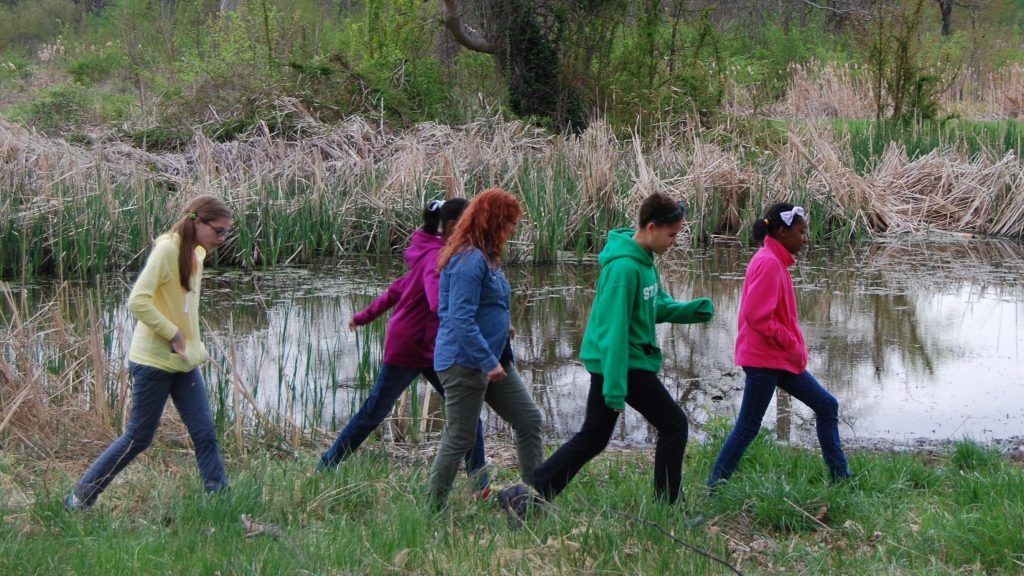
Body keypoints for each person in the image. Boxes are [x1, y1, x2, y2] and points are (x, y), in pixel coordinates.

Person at [496, 192, 714, 518]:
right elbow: (613, 330)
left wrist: (687, 310)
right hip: (623, 363)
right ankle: (669, 507)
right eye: (672, 234)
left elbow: (649, 307)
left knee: (593, 437)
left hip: (627, 361)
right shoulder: (625, 269)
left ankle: (524, 494)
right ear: (652, 228)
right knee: (674, 425)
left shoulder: (643, 262)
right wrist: (614, 386)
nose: (674, 241)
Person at [64, 195, 232, 510]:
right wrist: (173, 333)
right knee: (138, 438)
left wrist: (188, 345)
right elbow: (137, 300)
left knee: (205, 433)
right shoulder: (167, 249)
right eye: (219, 231)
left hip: (183, 363)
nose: (222, 239)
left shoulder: (195, 253)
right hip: (153, 363)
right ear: (198, 222)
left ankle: (222, 503)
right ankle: (79, 498)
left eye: (225, 233)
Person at [318, 199, 491, 494]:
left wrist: (363, 316)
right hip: (409, 347)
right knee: (375, 411)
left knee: (467, 412)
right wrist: (470, 319)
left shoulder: (434, 253)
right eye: (472, 225)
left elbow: (396, 290)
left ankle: (481, 485)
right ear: (452, 228)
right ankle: (327, 465)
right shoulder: (436, 259)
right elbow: (438, 302)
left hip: (432, 347)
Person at [707, 202, 851, 490]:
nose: (805, 238)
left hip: (777, 358)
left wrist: (791, 347)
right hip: (765, 360)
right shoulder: (768, 263)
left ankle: (841, 480)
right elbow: (756, 316)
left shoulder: (774, 260)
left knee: (826, 406)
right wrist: (790, 342)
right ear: (783, 232)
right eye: (801, 231)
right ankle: (715, 487)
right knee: (748, 427)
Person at [427, 188, 543, 507]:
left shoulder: (488, 256)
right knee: (460, 436)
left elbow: (482, 306)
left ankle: (537, 496)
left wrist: (502, 325)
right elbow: (459, 318)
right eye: (510, 223)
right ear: (493, 221)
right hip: (466, 363)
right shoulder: (469, 258)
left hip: (494, 359)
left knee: (529, 419)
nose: (514, 229)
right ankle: (433, 507)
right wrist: (487, 360)